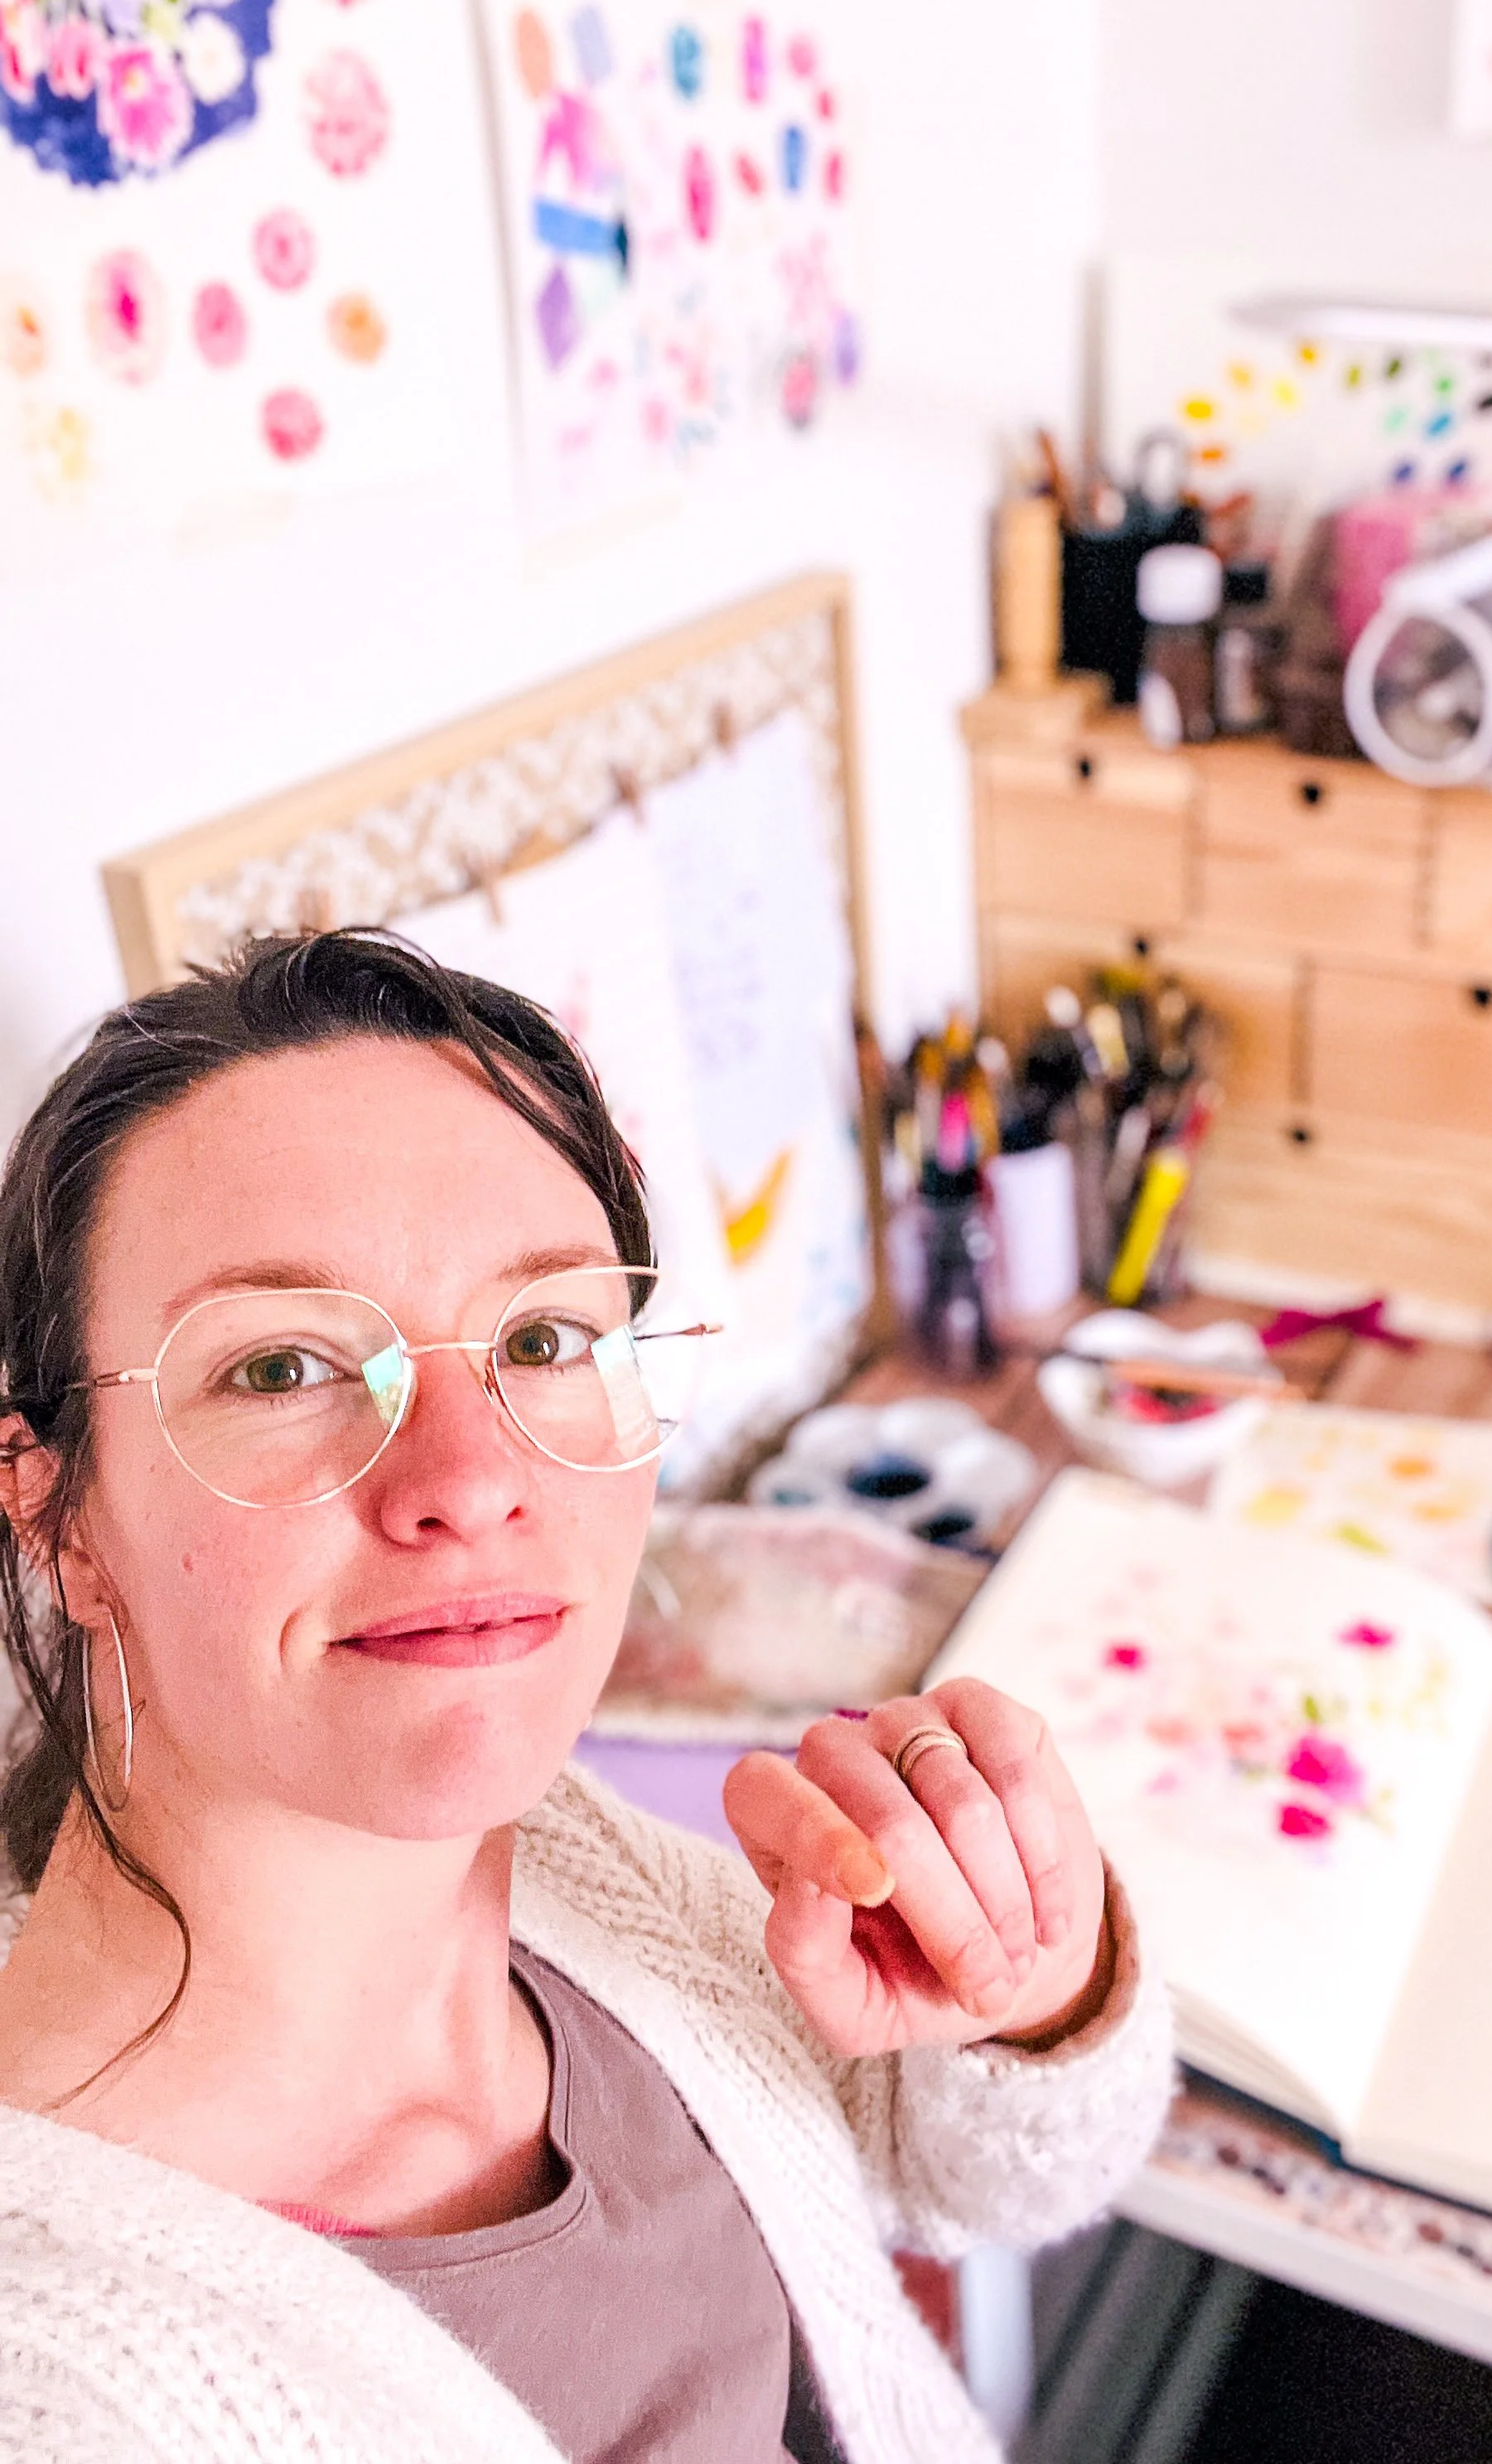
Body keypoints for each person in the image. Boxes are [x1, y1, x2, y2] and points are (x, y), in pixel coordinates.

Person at [0, 933, 1173, 2464]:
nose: (472, 1485)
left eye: (544, 1339)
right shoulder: (69, 2394)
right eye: (283, 1367)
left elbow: (974, 2180)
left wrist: (1031, 1991)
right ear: (58, 1513)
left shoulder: (571, 1870)